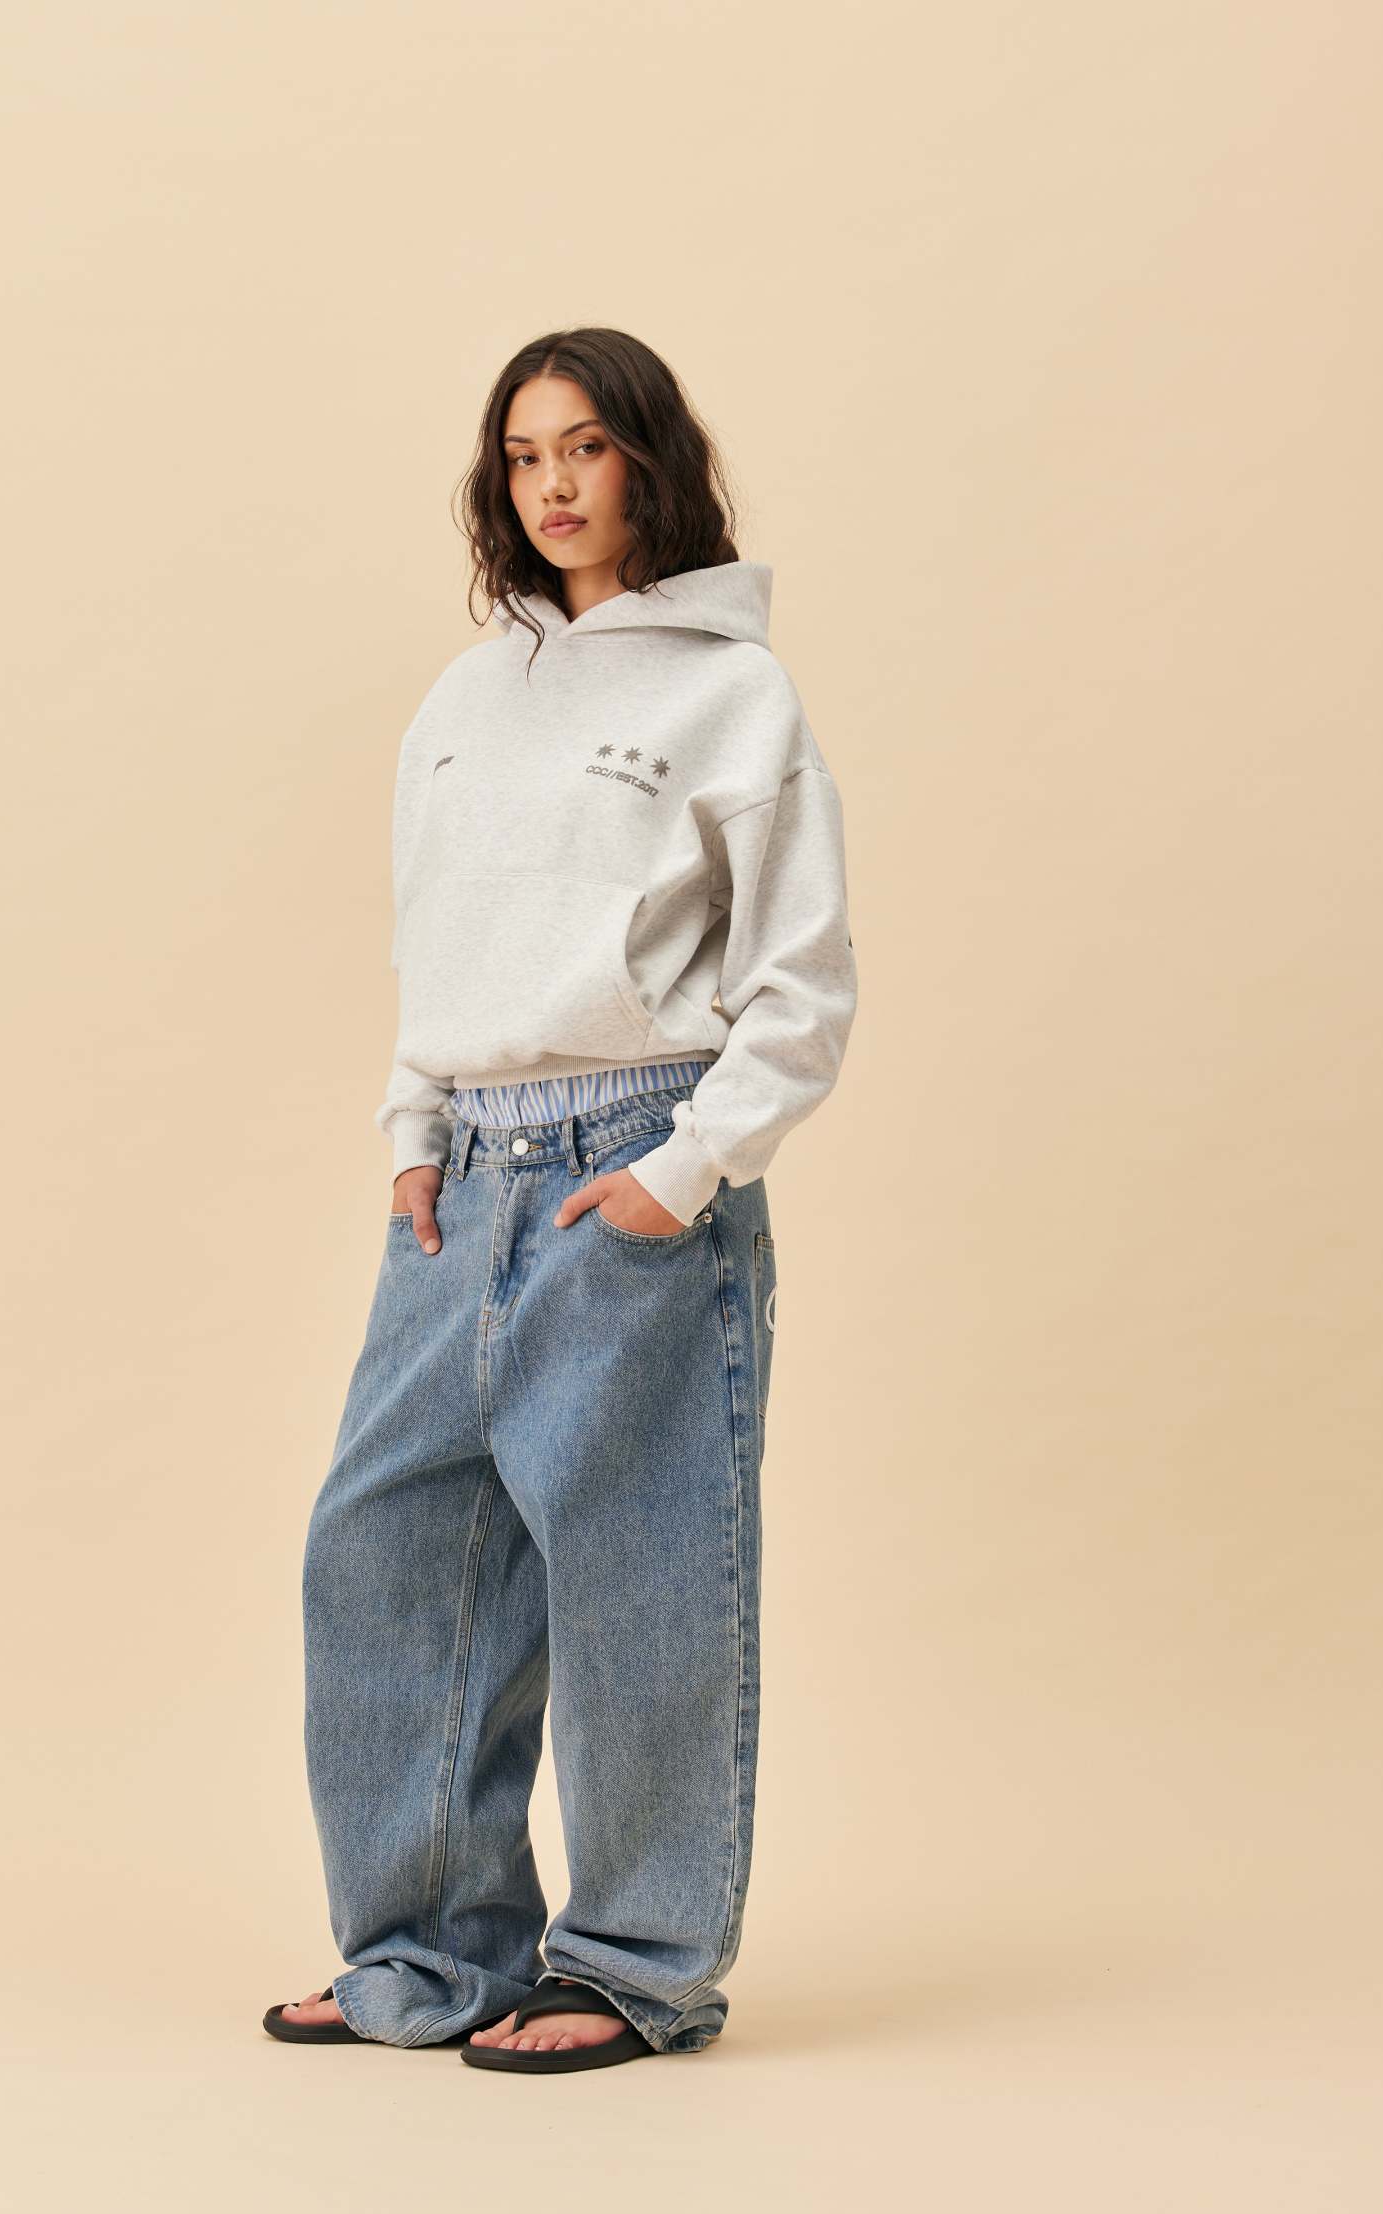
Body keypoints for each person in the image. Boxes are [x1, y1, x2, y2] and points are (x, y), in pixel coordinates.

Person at [264, 326, 858, 2074]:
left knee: (641, 1576)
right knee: (386, 1549)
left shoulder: (734, 695)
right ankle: (428, 1951)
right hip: (460, 1180)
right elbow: (436, 943)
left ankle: (634, 1961)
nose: (553, 483)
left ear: (649, 459)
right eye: (523, 455)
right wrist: (409, 1131)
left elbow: (803, 982)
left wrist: (680, 1174)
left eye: (585, 445)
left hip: (630, 1158)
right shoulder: (463, 702)